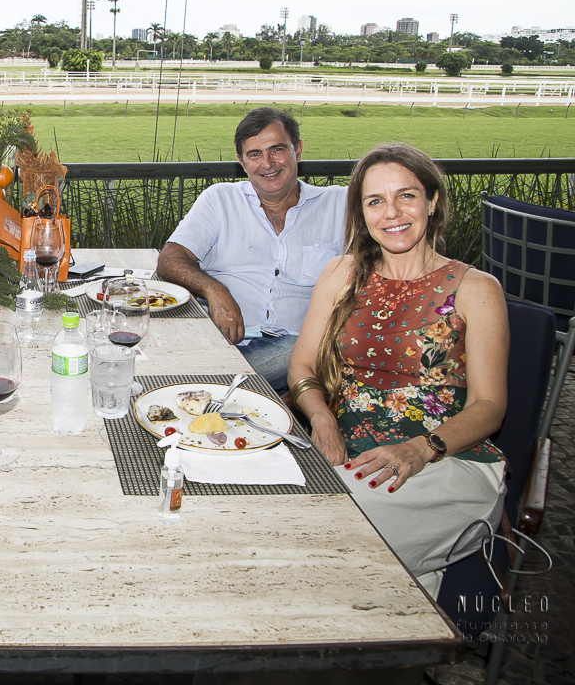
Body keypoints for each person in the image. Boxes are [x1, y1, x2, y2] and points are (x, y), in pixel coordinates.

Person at [288, 143, 507, 596]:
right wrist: (322, 417)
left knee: (320, 547)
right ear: (361, 214)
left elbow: (490, 407)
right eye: (375, 201)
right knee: (279, 519)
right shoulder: (342, 274)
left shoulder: (476, 288)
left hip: (445, 457)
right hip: (348, 447)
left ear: (432, 201)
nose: (392, 213)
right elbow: (302, 365)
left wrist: (420, 449)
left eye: (406, 196)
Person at [156, 107, 346, 390]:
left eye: (277, 149)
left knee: (295, 349)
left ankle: (200, 387)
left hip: (295, 349)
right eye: (254, 154)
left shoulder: (341, 205)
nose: (267, 163)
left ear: (298, 149)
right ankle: (204, 386)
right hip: (221, 342)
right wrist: (215, 290)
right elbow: (170, 259)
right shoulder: (221, 199)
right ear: (241, 162)